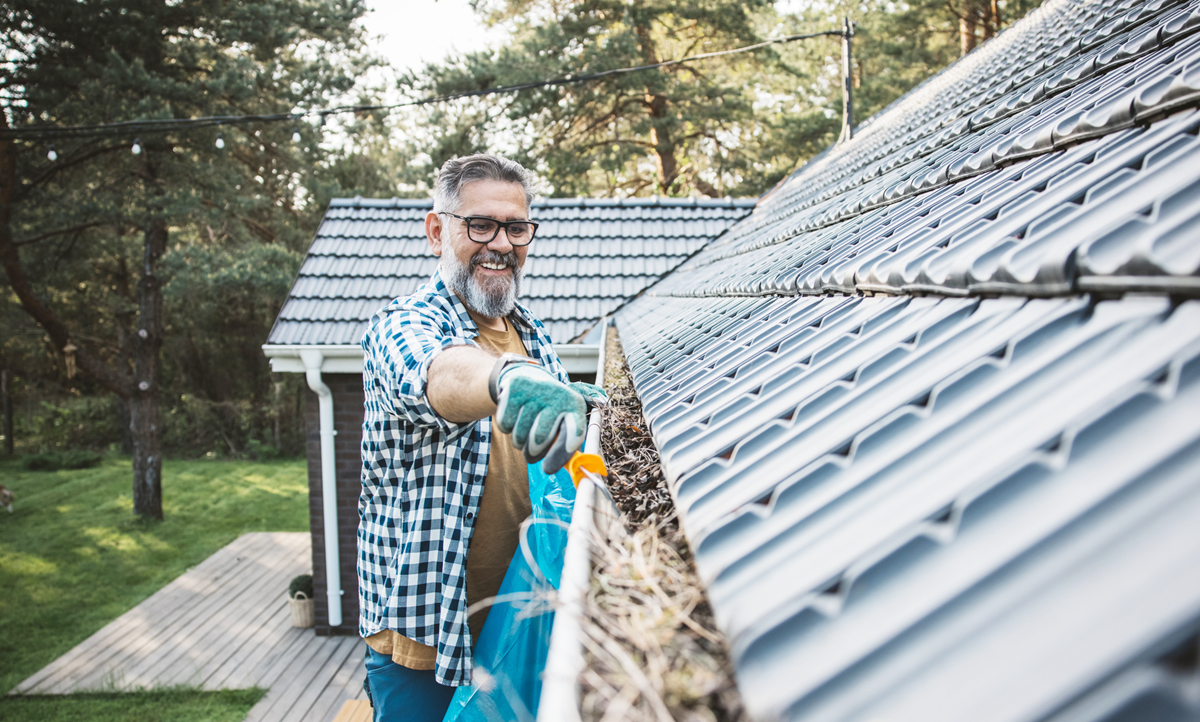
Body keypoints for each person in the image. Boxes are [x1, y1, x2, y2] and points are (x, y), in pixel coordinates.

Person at [357, 153, 603, 721]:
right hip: (426, 640)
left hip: (517, 631)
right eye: (481, 225)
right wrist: (505, 377)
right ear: (437, 230)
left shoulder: (531, 333)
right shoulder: (405, 323)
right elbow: (435, 376)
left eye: (517, 228)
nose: (501, 243)